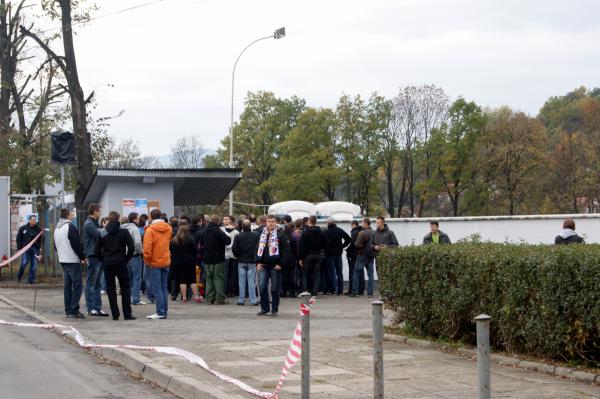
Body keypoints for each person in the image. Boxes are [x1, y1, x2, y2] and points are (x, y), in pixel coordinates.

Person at [97, 212, 136, 320]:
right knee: (125, 287)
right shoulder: (123, 232)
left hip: (108, 263)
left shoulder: (103, 232)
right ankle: (127, 314)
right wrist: (126, 258)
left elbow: (97, 250)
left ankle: (115, 314)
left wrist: (103, 260)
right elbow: (131, 247)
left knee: (110, 288)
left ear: (109, 219)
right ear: (118, 219)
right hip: (121, 262)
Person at [54, 209, 86, 319]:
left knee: (67, 286)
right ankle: (74, 310)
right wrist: (82, 256)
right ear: (68, 215)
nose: (73, 215)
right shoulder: (70, 227)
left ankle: (68, 310)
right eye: (71, 213)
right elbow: (76, 244)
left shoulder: (57, 228)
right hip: (72, 259)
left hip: (63, 259)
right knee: (77, 285)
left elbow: (55, 246)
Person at [256, 215, 291, 317]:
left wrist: (281, 264)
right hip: (264, 265)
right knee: (262, 287)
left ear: (276, 222)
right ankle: (265, 309)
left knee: (274, 288)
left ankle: (274, 309)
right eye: (268, 221)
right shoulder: (262, 234)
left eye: (272, 221)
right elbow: (257, 249)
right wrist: (257, 262)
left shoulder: (281, 234)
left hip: (275, 265)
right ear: (266, 223)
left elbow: (286, 251)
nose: (270, 223)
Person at [143, 209, 173, 320]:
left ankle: (160, 312)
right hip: (165, 260)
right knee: (164, 287)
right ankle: (164, 311)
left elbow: (147, 248)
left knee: (157, 288)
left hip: (154, 262)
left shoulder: (150, 230)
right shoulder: (168, 228)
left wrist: (147, 261)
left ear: (151, 217)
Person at [82, 203, 109, 317]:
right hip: (93, 255)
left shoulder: (94, 223)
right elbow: (98, 234)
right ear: (95, 211)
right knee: (91, 283)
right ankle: (90, 308)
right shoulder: (89, 224)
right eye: (100, 211)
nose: (101, 213)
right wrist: (107, 228)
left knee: (98, 283)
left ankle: (97, 308)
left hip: (98, 255)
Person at [201, 215, 232, 305]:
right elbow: (228, 241)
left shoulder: (205, 231)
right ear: (218, 221)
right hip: (218, 259)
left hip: (207, 258)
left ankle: (209, 298)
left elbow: (202, 243)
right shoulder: (218, 231)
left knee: (209, 278)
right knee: (218, 278)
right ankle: (219, 298)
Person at [170, 224, 202, 303]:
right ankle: (196, 297)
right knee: (192, 280)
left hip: (178, 263)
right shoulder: (191, 240)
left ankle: (184, 298)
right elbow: (195, 251)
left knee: (182, 280)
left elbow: (171, 251)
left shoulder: (174, 240)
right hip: (189, 262)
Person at [232, 219, 259, 306]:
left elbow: (234, 249)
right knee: (251, 281)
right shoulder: (255, 235)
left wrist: (237, 256)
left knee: (241, 281)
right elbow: (258, 247)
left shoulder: (238, 236)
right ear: (250, 226)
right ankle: (253, 300)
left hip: (241, 260)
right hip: (251, 261)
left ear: (242, 226)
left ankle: (241, 299)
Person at [298, 216, 327, 297]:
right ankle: (314, 291)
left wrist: (301, 258)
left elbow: (302, 246)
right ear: (316, 221)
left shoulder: (305, 232)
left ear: (309, 221)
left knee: (305, 274)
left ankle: (305, 290)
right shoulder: (321, 232)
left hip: (308, 255)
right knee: (316, 274)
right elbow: (325, 243)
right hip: (318, 254)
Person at [123, 212, 145, 305]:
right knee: (137, 278)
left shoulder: (122, 227)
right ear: (135, 219)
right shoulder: (134, 229)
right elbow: (137, 242)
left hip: (124, 256)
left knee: (127, 278)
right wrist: (141, 251)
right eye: (138, 218)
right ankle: (135, 299)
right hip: (134, 256)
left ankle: (128, 298)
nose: (139, 219)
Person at [324, 219, 351, 295]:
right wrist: (342, 246)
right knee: (339, 272)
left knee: (331, 272)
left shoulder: (326, 232)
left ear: (328, 224)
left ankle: (333, 289)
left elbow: (322, 242)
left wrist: (326, 248)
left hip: (329, 254)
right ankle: (340, 290)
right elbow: (348, 239)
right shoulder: (339, 230)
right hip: (338, 254)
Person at [350, 218, 376, 298]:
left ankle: (355, 292)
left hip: (362, 255)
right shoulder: (374, 232)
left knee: (356, 274)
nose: (361, 224)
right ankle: (370, 293)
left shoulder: (362, 232)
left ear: (365, 224)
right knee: (370, 275)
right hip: (371, 255)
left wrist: (361, 246)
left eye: (362, 222)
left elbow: (357, 244)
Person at [16, 215, 43, 284]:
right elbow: (18, 238)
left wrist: (39, 247)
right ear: (30, 220)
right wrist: (19, 248)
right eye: (33, 220)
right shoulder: (23, 228)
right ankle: (19, 276)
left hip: (34, 248)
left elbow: (42, 239)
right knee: (24, 262)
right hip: (25, 248)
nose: (35, 221)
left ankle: (31, 280)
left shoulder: (38, 229)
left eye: (35, 220)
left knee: (33, 264)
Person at [222, 215, 240, 297]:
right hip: (225, 254)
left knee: (231, 274)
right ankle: (226, 290)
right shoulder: (220, 230)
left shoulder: (236, 232)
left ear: (231, 220)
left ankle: (230, 290)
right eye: (224, 219)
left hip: (232, 255)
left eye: (227, 219)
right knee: (226, 274)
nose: (226, 220)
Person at [345, 220, 365, 295]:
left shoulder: (354, 232)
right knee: (361, 272)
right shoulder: (362, 231)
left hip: (353, 255)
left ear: (353, 225)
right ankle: (361, 290)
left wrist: (347, 250)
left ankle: (352, 290)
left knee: (352, 272)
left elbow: (353, 243)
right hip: (360, 254)